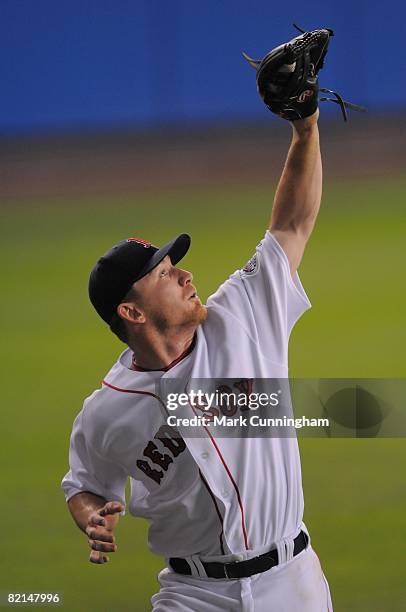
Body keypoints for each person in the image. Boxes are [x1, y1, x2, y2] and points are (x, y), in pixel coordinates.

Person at [62, 108, 333, 611]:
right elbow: (84, 485)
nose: (185, 276)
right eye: (164, 274)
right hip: (193, 594)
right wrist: (91, 516)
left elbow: (292, 224)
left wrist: (307, 127)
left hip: (292, 582)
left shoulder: (243, 314)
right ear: (131, 311)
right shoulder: (105, 412)